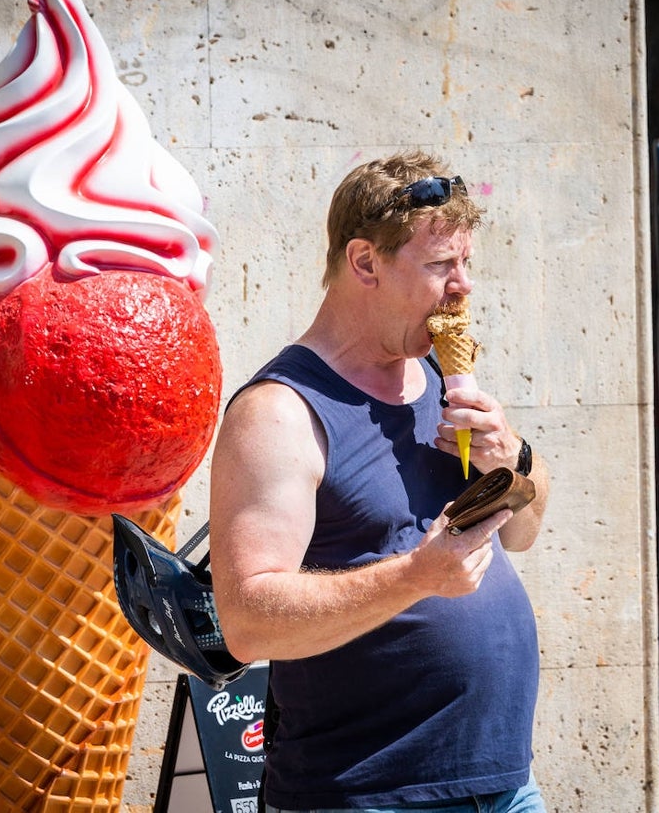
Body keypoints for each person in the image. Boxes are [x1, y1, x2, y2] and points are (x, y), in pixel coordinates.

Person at [208, 150, 550, 812]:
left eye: (466, 263)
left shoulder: (440, 378)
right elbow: (247, 622)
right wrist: (415, 577)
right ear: (365, 262)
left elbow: (526, 533)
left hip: (506, 786)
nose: (464, 287)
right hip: (366, 796)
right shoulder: (280, 412)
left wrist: (513, 460)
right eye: (440, 266)